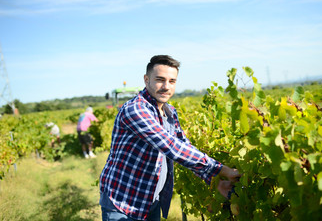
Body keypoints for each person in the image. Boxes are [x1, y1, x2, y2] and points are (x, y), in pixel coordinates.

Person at [99, 55, 241, 221]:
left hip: (150, 200)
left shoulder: (169, 112)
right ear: (146, 80)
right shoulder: (135, 110)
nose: (166, 86)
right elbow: (171, 146)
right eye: (160, 80)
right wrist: (221, 169)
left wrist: (214, 180)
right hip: (123, 202)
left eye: (172, 81)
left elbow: (184, 146)